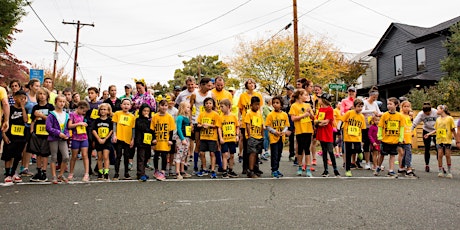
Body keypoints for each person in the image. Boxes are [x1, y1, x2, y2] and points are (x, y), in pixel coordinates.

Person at [237, 78, 264, 174]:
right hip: (246, 123)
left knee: (256, 147)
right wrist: (239, 121)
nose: (251, 84)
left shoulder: (258, 95)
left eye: (253, 83)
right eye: (249, 83)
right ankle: (246, 167)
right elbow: (240, 110)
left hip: (256, 123)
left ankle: (255, 167)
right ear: (246, 85)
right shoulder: (243, 96)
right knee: (247, 147)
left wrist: (262, 122)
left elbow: (260, 109)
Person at [2, 90, 28, 184]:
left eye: (24, 98)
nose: (22, 100)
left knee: (18, 155)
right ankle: (8, 174)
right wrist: (4, 135)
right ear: (15, 98)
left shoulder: (25, 109)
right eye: (21, 98)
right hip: (10, 135)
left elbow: (26, 120)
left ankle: (13, 173)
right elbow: (4, 122)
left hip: (21, 136)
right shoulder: (10, 109)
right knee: (8, 155)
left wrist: (23, 108)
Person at [29, 87, 54, 182]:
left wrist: (41, 116)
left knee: (45, 153)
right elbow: (33, 120)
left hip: (46, 132)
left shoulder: (50, 107)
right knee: (38, 153)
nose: (42, 96)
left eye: (44, 94)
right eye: (40, 94)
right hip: (37, 132)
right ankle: (38, 171)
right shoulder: (35, 107)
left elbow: (52, 120)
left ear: (47, 96)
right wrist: (32, 130)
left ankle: (44, 172)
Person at [190, 77, 213, 175]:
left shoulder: (211, 94)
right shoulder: (194, 94)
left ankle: (214, 165)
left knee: (211, 144)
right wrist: (191, 122)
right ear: (202, 85)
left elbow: (215, 108)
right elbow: (190, 108)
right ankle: (195, 164)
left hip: (209, 122)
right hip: (198, 121)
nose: (210, 87)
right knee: (198, 144)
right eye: (208, 85)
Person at [425, 105, 455, 178]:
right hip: (439, 139)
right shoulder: (438, 119)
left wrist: (457, 139)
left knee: (448, 155)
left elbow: (453, 129)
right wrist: (429, 134)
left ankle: (449, 171)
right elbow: (437, 129)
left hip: (447, 140)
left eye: (438, 109)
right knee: (440, 155)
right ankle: (440, 170)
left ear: (442, 110)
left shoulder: (450, 118)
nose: (436, 111)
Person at [376, 97, 404, 177]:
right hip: (385, 139)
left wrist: (401, 138)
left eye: (391, 104)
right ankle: (378, 166)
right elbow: (380, 126)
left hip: (394, 139)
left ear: (396, 105)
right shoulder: (384, 115)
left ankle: (391, 170)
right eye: (388, 104)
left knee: (392, 155)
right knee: (382, 154)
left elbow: (401, 128)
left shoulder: (400, 116)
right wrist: (379, 136)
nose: (389, 106)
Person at [289, 89, 314, 177]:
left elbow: (312, 117)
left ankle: (308, 168)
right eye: (305, 95)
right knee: (300, 149)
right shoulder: (294, 106)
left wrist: (310, 113)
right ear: (300, 95)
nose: (306, 96)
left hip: (308, 129)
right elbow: (293, 118)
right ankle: (300, 166)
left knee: (307, 149)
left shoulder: (307, 105)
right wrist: (304, 115)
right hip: (300, 130)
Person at [46, 95, 70, 184]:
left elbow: (67, 127)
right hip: (54, 138)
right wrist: (58, 133)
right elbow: (48, 127)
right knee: (54, 157)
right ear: (56, 102)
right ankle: (54, 176)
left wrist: (66, 134)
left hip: (63, 138)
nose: (62, 103)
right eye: (60, 101)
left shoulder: (66, 115)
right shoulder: (51, 114)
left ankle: (61, 174)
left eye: (63, 102)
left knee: (66, 157)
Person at [314, 93, 340, 177]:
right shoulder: (320, 109)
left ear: (324, 100)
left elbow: (327, 121)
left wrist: (320, 122)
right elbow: (317, 120)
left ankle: (335, 169)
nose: (319, 100)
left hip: (328, 132)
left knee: (330, 150)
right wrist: (319, 122)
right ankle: (325, 170)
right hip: (321, 132)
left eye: (320, 99)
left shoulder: (330, 109)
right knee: (324, 151)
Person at [265, 96, 290, 178]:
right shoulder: (270, 115)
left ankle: (277, 168)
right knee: (274, 154)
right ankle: (273, 169)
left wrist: (284, 131)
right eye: (274, 103)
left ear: (281, 104)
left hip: (281, 137)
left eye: (277, 103)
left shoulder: (284, 114)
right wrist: (274, 131)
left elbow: (286, 125)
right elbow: (267, 126)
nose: (275, 105)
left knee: (279, 154)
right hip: (273, 138)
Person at [211, 76, 233, 171]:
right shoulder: (211, 93)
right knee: (217, 143)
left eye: (221, 85)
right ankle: (218, 161)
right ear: (215, 84)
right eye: (218, 85)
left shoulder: (228, 94)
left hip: (226, 121)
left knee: (226, 142)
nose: (219, 86)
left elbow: (230, 106)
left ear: (224, 84)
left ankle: (226, 162)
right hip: (216, 119)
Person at [151, 100, 176, 181]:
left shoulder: (169, 117)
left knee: (164, 156)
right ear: (159, 106)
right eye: (162, 105)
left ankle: (163, 171)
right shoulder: (155, 116)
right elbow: (152, 129)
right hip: (158, 140)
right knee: (156, 155)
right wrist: (153, 139)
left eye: (165, 105)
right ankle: (156, 170)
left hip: (165, 140)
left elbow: (171, 130)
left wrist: (170, 140)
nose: (164, 107)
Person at [196, 97, 221, 178]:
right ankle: (204, 168)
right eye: (206, 103)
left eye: (210, 103)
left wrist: (209, 125)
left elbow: (217, 125)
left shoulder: (215, 114)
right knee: (202, 153)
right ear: (204, 105)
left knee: (212, 153)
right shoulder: (201, 114)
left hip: (212, 137)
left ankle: (213, 170)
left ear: (213, 105)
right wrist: (202, 125)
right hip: (203, 137)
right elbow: (198, 124)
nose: (208, 105)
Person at [112, 98, 136, 180]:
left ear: (130, 106)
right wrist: (114, 135)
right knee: (118, 156)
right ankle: (116, 173)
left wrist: (133, 139)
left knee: (127, 156)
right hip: (119, 138)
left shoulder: (132, 116)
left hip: (128, 139)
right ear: (121, 105)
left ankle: (126, 173)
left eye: (128, 104)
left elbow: (133, 129)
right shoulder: (117, 114)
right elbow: (114, 125)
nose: (126, 106)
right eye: (124, 104)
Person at [341, 99, 366, 177]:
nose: (360, 108)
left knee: (357, 148)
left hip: (357, 137)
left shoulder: (362, 116)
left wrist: (362, 140)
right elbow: (342, 120)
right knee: (348, 153)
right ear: (354, 106)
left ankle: (359, 152)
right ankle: (348, 170)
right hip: (348, 136)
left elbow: (363, 128)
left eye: (361, 106)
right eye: (358, 106)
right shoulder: (349, 113)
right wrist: (341, 131)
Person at [20, 79, 40, 177]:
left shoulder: (38, 98)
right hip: (23, 124)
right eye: (36, 86)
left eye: (39, 86)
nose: (38, 88)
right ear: (31, 86)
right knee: (22, 146)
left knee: (29, 146)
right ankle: (20, 166)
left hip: (33, 124)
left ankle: (25, 167)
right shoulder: (25, 96)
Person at [411, 101, 438, 172]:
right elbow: (414, 123)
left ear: (431, 110)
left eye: (428, 113)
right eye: (426, 113)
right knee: (427, 148)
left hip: (436, 131)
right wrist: (410, 130)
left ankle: (440, 164)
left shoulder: (435, 112)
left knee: (438, 148)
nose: (427, 114)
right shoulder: (421, 114)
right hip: (426, 130)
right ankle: (427, 164)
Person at [68, 101, 91, 182]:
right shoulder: (72, 115)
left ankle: (86, 173)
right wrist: (79, 124)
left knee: (85, 155)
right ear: (79, 108)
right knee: (74, 156)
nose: (84, 113)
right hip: (75, 137)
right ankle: (71, 173)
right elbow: (69, 125)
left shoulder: (83, 116)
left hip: (84, 137)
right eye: (83, 111)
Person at [361, 87, 382, 170]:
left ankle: (375, 163)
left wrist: (381, 114)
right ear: (370, 96)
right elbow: (362, 111)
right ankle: (367, 162)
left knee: (375, 144)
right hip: (366, 126)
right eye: (374, 97)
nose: (375, 99)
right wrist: (372, 111)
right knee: (366, 144)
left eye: (376, 98)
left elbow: (378, 111)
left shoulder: (375, 103)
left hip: (373, 126)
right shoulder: (365, 102)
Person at [218, 98, 239, 179]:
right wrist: (220, 138)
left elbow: (237, 126)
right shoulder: (221, 117)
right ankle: (224, 170)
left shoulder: (233, 116)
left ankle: (230, 169)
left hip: (232, 138)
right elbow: (219, 128)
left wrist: (237, 135)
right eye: (220, 107)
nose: (221, 108)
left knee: (232, 155)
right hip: (225, 139)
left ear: (228, 106)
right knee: (225, 154)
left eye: (222, 106)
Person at [244, 96, 264, 178]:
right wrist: (249, 135)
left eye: (258, 105)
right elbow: (248, 124)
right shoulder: (249, 113)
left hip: (259, 136)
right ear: (251, 105)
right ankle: (250, 170)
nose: (257, 106)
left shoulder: (259, 113)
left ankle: (256, 168)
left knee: (257, 153)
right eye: (255, 105)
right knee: (252, 153)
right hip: (252, 136)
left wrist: (262, 134)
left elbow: (262, 124)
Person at [92, 103, 113, 181]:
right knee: (99, 157)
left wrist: (105, 139)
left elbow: (111, 130)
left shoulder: (110, 120)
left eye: (105, 109)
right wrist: (98, 139)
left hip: (106, 141)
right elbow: (94, 130)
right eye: (101, 109)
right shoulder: (97, 120)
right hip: (99, 140)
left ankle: (106, 173)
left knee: (106, 156)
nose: (103, 111)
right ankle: (100, 173)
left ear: (108, 111)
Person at [85, 87, 102, 175]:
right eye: (89, 93)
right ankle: (89, 169)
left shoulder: (101, 104)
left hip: (99, 127)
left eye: (92, 93)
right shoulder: (87, 105)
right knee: (89, 149)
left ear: (97, 94)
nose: (90, 95)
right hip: (89, 128)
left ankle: (98, 168)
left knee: (101, 148)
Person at [174, 101, 193, 180]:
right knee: (179, 154)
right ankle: (177, 171)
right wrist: (182, 138)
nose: (189, 109)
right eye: (187, 107)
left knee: (184, 154)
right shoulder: (180, 117)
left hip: (187, 137)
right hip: (181, 138)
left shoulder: (187, 117)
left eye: (189, 107)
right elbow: (178, 128)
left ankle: (182, 170)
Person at [134, 104, 153, 182]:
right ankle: (140, 173)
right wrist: (145, 119)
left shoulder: (150, 121)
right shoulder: (138, 120)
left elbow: (151, 130)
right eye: (144, 111)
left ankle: (143, 172)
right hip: (140, 141)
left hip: (148, 141)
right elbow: (142, 127)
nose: (146, 112)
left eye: (147, 111)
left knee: (147, 156)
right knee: (141, 157)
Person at [398, 100, 416, 177]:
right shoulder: (400, 115)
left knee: (407, 153)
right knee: (404, 153)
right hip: (402, 137)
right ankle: (408, 168)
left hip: (408, 136)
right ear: (402, 107)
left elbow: (412, 125)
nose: (406, 108)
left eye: (408, 106)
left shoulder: (410, 116)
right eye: (404, 106)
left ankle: (404, 167)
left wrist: (413, 133)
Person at [283, 85, 296, 162]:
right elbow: (282, 107)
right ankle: (288, 152)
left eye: (289, 90)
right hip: (287, 118)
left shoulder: (295, 98)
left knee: (293, 138)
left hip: (294, 119)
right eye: (287, 90)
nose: (287, 91)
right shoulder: (284, 98)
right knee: (287, 135)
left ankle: (292, 153)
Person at [261, 95, 273, 160]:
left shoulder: (272, 108)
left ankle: (268, 150)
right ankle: (266, 151)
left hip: (272, 126)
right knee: (266, 138)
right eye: (271, 100)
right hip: (266, 125)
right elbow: (269, 115)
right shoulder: (265, 107)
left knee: (269, 138)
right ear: (268, 101)